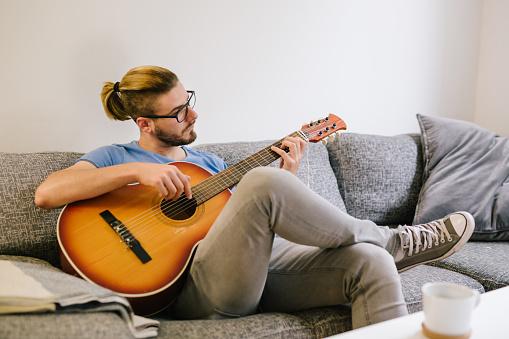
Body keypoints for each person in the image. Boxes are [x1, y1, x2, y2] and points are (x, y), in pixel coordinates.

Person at [35, 65, 474, 329]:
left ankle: (382, 248)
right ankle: (393, 239)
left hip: (257, 275)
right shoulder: (114, 157)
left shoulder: (206, 163)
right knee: (261, 184)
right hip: (192, 288)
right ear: (145, 124)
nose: (193, 113)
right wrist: (137, 171)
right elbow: (48, 193)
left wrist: (289, 177)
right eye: (178, 111)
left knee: (371, 264)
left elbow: (256, 231)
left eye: (188, 100)